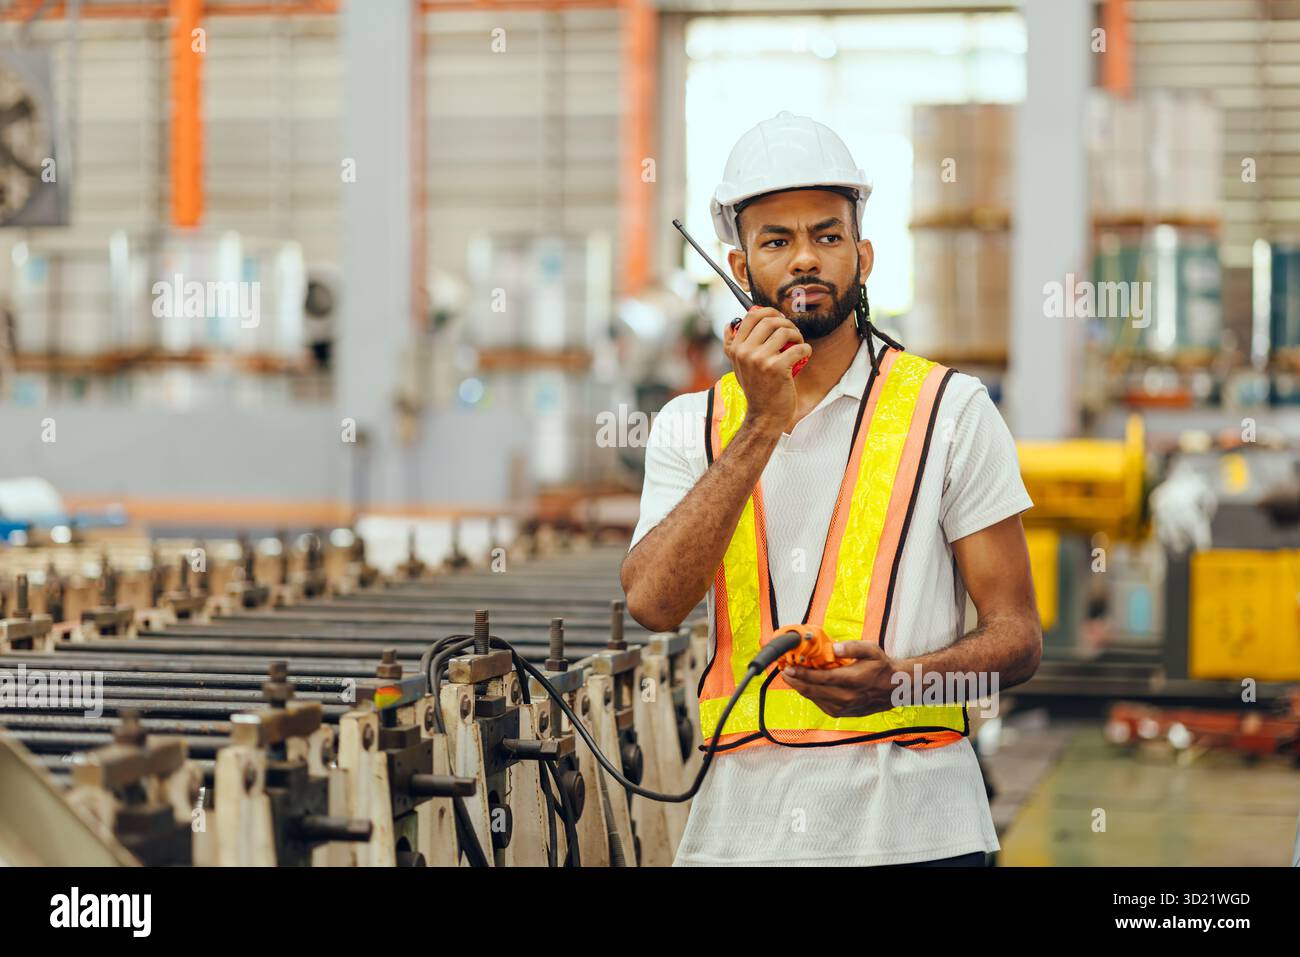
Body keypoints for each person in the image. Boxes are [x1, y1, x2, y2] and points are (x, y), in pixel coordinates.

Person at [621, 112, 1042, 866]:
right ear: (738, 265)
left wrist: (905, 680)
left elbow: (1017, 639)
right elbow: (653, 603)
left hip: (921, 833)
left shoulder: (953, 411)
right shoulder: (693, 425)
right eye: (776, 240)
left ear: (864, 254)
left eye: (827, 234)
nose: (805, 259)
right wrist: (760, 426)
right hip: (738, 837)